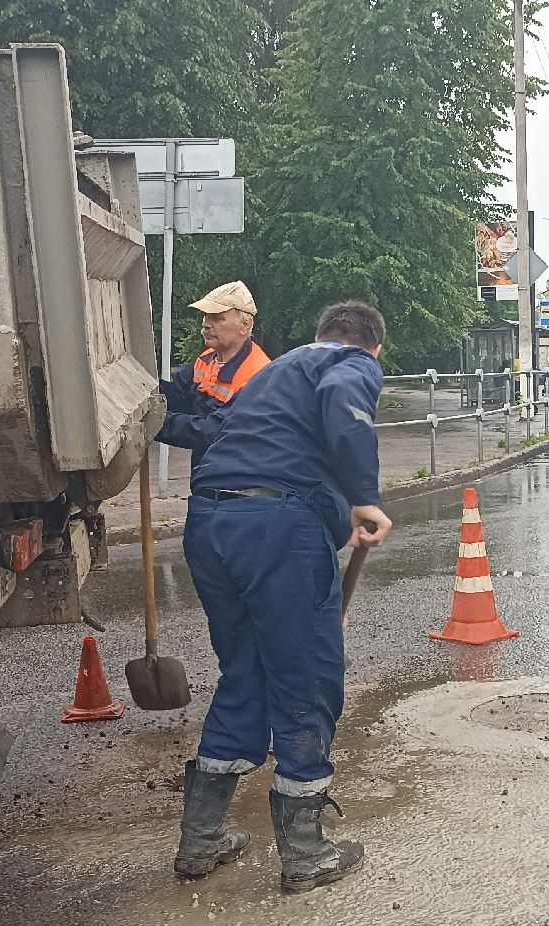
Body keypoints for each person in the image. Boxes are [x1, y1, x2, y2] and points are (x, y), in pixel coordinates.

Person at [172, 300, 392, 893]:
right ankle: (305, 852)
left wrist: (339, 506)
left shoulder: (276, 372)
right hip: (274, 530)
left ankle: (200, 840)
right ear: (371, 347)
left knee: (244, 675)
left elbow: (261, 444)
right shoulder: (350, 362)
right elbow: (346, 410)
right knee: (305, 678)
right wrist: (365, 496)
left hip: (211, 525)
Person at [159, 281, 273, 469]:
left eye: (217, 318)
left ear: (245, 325)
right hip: (209, 478)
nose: (205, 324)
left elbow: (212, 432)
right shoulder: (206, 360)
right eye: (205, 316)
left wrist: (153, 423)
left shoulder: (257, 375)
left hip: (237, 485)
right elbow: (178, 398)